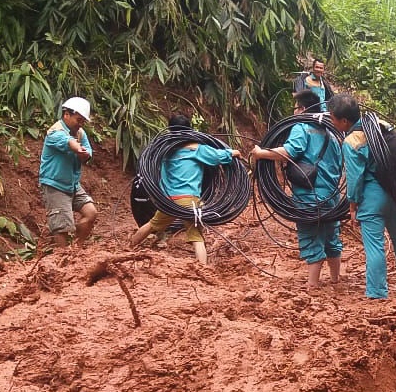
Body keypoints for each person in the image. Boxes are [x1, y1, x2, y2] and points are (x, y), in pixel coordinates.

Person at [327, 93, 396, 299]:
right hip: (394, 193)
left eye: (333, 118)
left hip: (372, 197)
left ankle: (377, 292)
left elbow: (354, 178)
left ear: (344, 121)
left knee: (375, 246)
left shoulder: (351, 141)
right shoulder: (379, 124)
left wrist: (352, 206)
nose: (331, 122)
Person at [250, 90, 344, 289]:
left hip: (309, 195)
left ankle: (312, 284)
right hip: (332, 195)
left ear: (302, 109)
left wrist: (262, 153)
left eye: (295, 107)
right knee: (331, 236)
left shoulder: (301, 128)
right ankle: (335, 280)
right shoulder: (333, 133)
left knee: (311, 236)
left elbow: (290, 151)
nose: (294, 111)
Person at [130, 115, 241, 265]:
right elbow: (217, 156)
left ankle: (129, 248)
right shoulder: (196, 149)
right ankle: (202, 267)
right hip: (189, 199)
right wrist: (233, 153)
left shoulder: (164, 151)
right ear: (189, 131)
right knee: (196, 235)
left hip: (168, 200)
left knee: (151, 225)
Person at [39, 97, 98, 248]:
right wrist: (78, 149)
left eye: (83, 121)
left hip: (72, 184)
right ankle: (62, 258)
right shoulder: (54, 132)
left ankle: (75, 249)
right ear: (66, 115)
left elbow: (87, 149)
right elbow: (67, 142)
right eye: (78, 120)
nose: (81, 124)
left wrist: (85, 154)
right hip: (55, 185)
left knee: (91, 212)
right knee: (62, 228)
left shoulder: (80, 133)